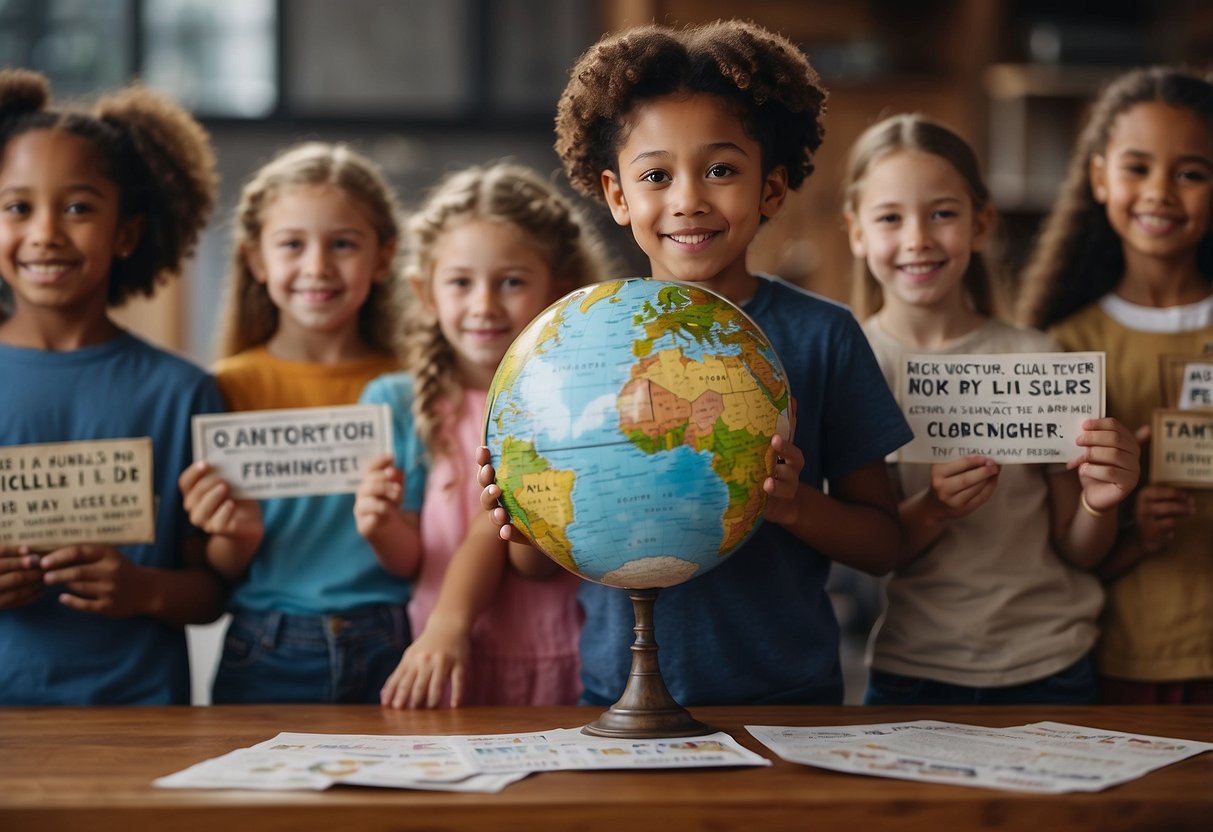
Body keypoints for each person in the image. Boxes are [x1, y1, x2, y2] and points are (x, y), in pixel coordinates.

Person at [479, 20, 915, 707]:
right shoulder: (567, 346)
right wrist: (522, 512)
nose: (688, 198)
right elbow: (533, 568)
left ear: (770, 189)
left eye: (720, 170)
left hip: (784, 700)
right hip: (614, 698)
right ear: (617, 195)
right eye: (655, 175)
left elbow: (884, 544)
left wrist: (796, 506)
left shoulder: (822, 335)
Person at [843, 113, 1140, 705]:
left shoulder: (1039, 356)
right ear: (856, 232)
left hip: (1051, 662)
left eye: (943, 213)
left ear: (981, 224)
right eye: (890, 218)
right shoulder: (850, 365)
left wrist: (1101, 500)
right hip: (912, 667)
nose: (918, 239)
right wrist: (931, 507)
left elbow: (1077, 546)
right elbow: (862, 553)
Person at [0, 69, 228, 703]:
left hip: (143, 721)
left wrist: (143, 590)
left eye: (78, 207)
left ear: (126, 233)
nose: (45, 232)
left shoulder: (182, 392)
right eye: (18, 207)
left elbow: (211, 593)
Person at [179, 142, 424, 703]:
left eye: (343, 244)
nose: (317, 267)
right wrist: (234, 535)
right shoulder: (225, 386)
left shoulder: (413, 386)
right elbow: (221, 570)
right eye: (292, 245)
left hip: (394, 638)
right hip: (264, 642)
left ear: (383, 257)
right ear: (256, 259)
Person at [363, 162, 611, 708]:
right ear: (424, 292)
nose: (484, 305)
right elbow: (408, 560)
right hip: (443, 661)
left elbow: (524, 552)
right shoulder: (401, 402)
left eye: (512, 281)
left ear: (560, 289)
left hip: (562, 658)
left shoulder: (575, 401)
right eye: (460, 282)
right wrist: (379, 526)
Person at [1017, 66, 1213, 704]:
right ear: (1099, 177)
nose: (1160, 191)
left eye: (1191, 172)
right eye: (1137, 167)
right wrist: (1135, 531)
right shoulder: (1064, 346)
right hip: (1124, 658)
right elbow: (1069, 550)